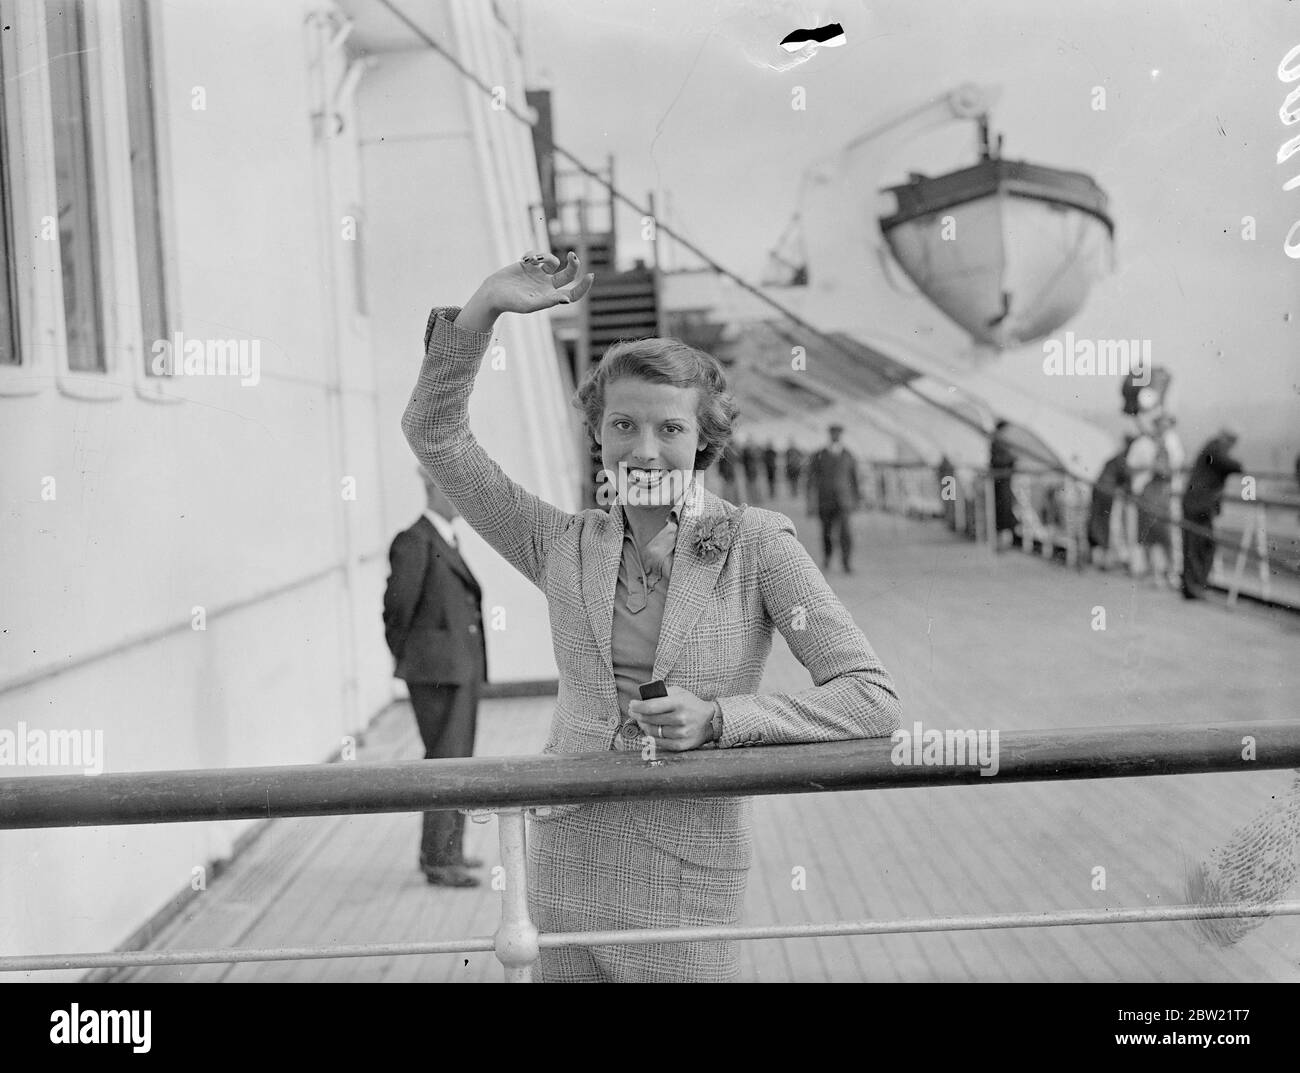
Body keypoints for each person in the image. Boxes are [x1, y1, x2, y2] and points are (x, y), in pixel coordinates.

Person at [401, 251, 900, 981]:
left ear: (702, 439)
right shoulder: (560, 544)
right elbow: (435, 434)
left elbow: (870, 696)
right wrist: (484, 309)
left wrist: (723, 719)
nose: (644, 448)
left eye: (669, 428)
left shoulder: (756, 545)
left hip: (685, 882)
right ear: (598, 437)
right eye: (624, 425)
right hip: (567, 870)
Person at [382, 467, 487, 887]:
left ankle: (449, 851)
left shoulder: (445, 538)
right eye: (454, 489)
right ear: (434, 489)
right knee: (445, 765)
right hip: (438, 674)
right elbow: (396, 611)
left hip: (458, 670)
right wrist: (416, 659)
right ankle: (441, 862)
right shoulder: (414, 541)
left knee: (456, 761)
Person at [1180, 428, 1243, 600]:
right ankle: (1194, 588)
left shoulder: (1213, 447)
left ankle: (1195, 586)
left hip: (1198, 505)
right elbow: (1232, 465)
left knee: (1201, 545)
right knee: (1197, 546)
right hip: (1198, 506)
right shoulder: (1214, 448)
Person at [1127, 414, 1185, 587]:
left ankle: (1171, 572)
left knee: (1167, 534)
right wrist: (1149, 467)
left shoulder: (1173, 444)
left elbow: (1178, 464)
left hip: (1166, 493)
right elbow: (1130, 467)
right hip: (1147, 491)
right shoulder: (1142, 444)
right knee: (1148, 533)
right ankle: (1154, 572)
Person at [805, 424, 861, 573]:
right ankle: (827, 558)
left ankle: (846, 562)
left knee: (846, 533)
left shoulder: (848, 455)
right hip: (825, 500)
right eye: (833, 433)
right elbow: (810, 480)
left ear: (841, 435)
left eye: (838, 433)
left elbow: (854, 479)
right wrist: (810, 502)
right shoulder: (819, 455)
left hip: (844, 501)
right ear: (829, 435)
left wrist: (856, 499)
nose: (835, 436)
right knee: (826, 532)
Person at [1087, 436, 1133, 569]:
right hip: (1106, 492)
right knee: (1105, 523)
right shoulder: (1122, 458)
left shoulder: (1117, 457)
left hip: (1101, 490)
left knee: (1098, 521)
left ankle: (1099, 556)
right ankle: (1105, 558)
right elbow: (1125, 477)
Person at [989, 420, 1017, 549]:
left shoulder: (997, 441)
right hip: (1002, 480)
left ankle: (1003, 540)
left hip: (1003, 479)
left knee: (1004, 509)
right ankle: (1003, 541)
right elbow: (1000, 459)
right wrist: (1012, 460)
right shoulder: (998, 441)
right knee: (1003, 509)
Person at [740, 438, 764, 503]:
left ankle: (757, 499)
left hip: (753, 472)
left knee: (755, 486)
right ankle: (753, 499)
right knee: (751, 486)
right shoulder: (746, 452)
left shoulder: (753, 452)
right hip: (749, 472)